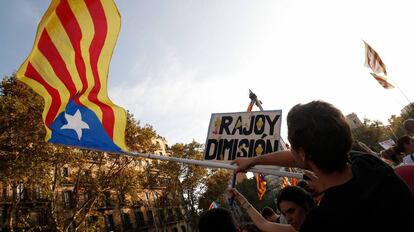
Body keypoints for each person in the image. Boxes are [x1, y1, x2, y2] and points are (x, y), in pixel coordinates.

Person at [232, 100, 414, 231]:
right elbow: (303, 157)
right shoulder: (368, 164)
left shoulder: (323, 221)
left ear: (303, 153)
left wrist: (253, 160)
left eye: (292, 146)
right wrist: (254, 161)